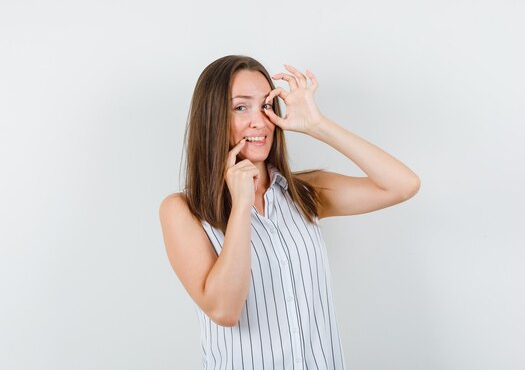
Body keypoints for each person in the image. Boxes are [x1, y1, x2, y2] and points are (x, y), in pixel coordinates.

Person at [159, 55, 421, 370]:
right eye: (241, 107)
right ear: (213, 117)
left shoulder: (304, 193)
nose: (260, 121)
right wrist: (241, 205)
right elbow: (224, 310)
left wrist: (317, 125)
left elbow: (403, 185)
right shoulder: (183, 211)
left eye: (266, 105)